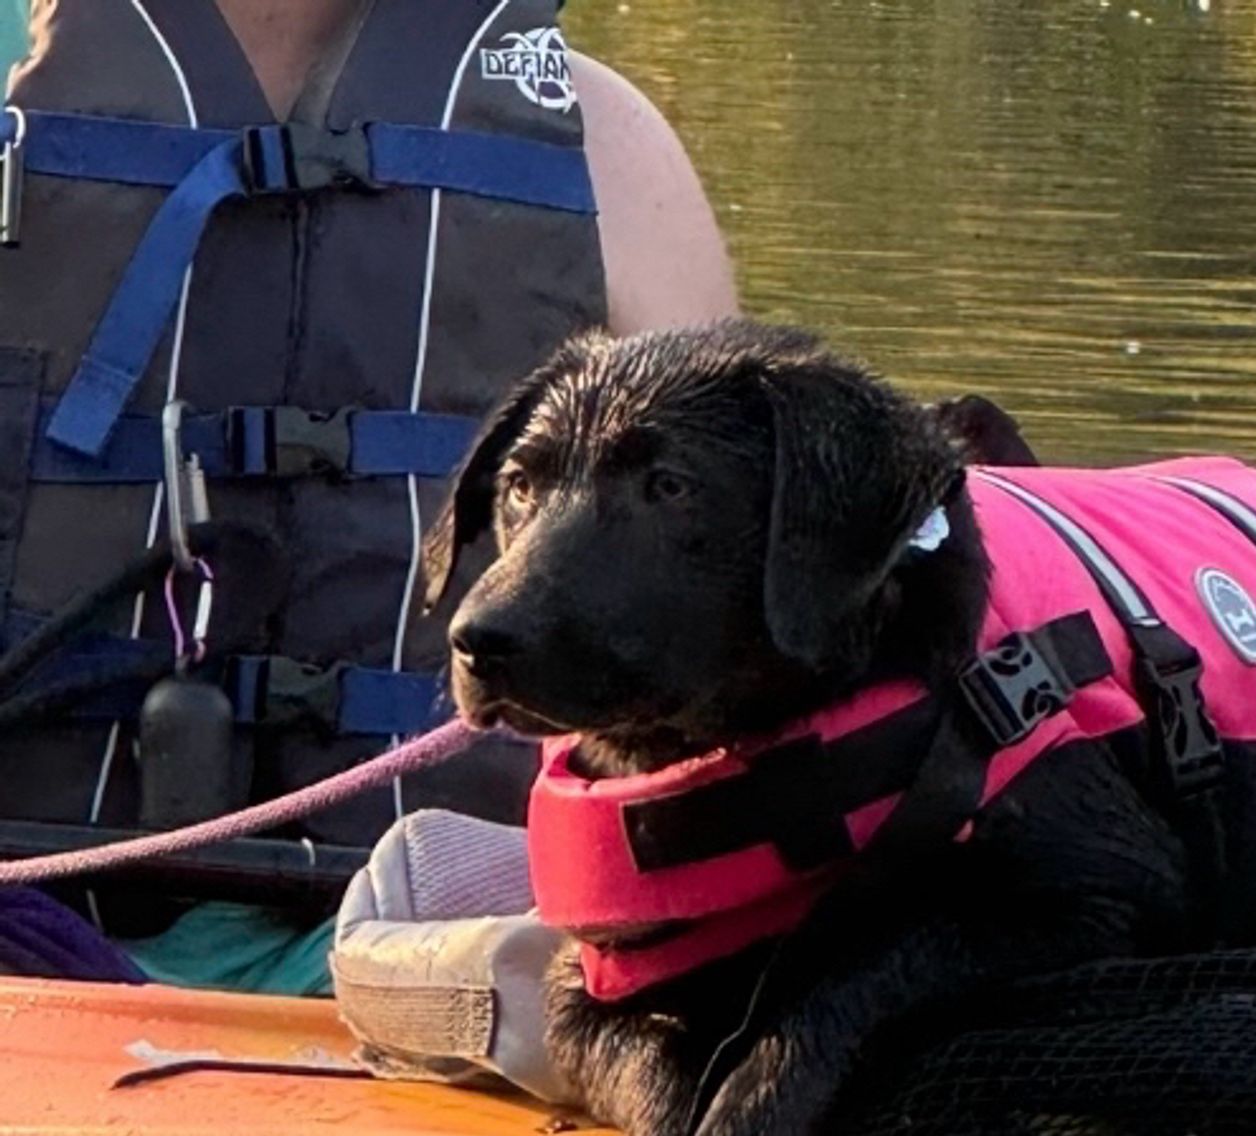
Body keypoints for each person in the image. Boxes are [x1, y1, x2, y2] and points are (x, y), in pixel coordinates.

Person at [0, 0, 735, 991]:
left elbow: (728, 680)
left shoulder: (612, 157)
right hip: (32, 944)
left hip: (472, 967)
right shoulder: (23, 99)